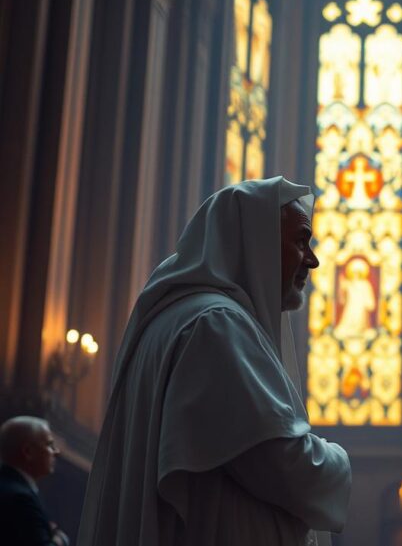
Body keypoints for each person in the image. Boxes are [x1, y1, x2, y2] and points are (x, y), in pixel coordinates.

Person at [78, 177, 352, 546]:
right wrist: (338, 462)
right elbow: (283, 463)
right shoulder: (215, 324)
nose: (313, 260)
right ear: (257, 241)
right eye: (301, 241)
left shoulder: (174, 319)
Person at [0, 416, 70, 545]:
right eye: (49, 445)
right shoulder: (20, 499)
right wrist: (60, 540)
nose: (56, 452)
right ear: (28, 452)